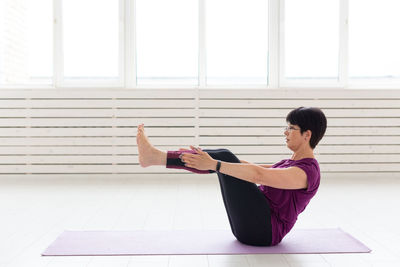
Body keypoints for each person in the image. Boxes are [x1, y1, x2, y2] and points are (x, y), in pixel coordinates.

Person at [136, 107, 327, 246]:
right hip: (252, 228)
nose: (286, 132)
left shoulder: (307, 172)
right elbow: (245, 167)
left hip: (264, 233)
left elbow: (258, 175)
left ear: (306, 135)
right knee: (224, 157)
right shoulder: (289, 163)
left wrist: (216, 163)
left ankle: (155, 157)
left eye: (291, 128)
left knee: (223, 159)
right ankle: (157, 157)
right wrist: (208, 158)